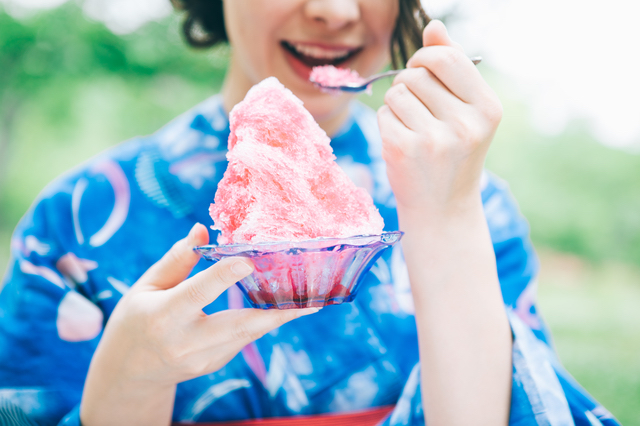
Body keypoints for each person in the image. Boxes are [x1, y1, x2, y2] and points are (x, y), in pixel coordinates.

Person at [0, 1, 619, 425]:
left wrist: (448, 215)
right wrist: (128, 382)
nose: (335, 8)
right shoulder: (76, 221)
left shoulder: (478, 205)